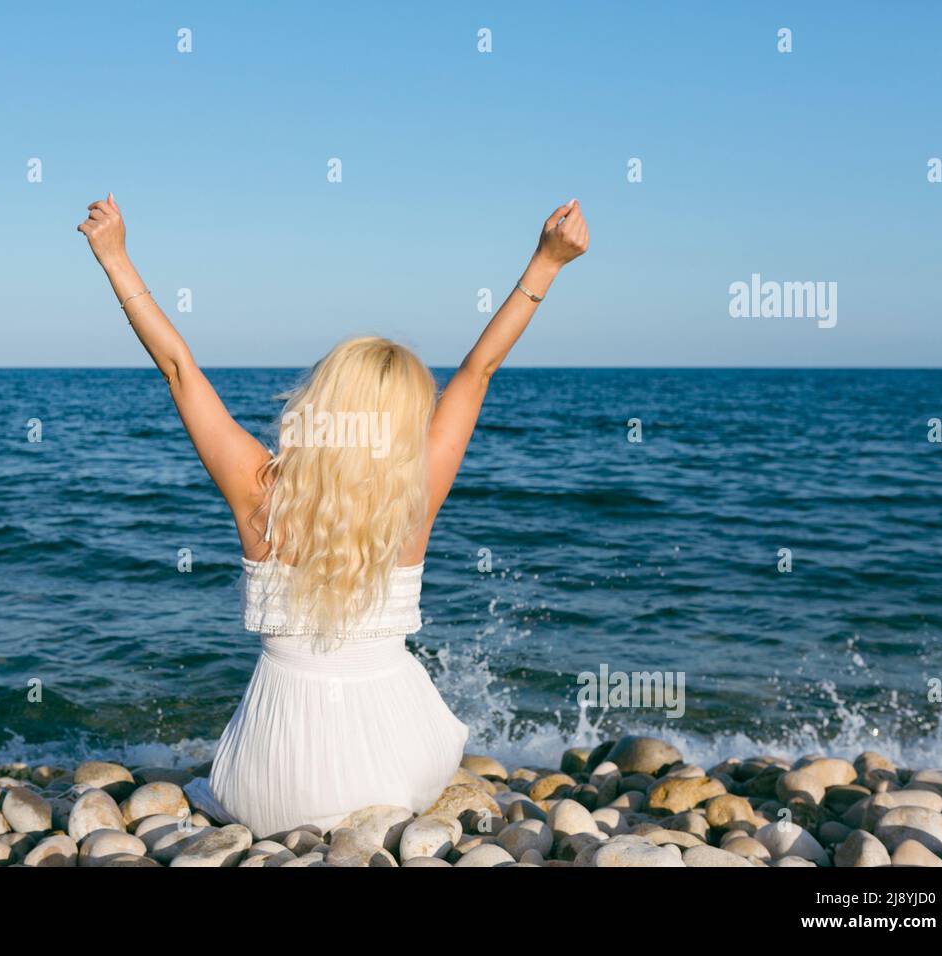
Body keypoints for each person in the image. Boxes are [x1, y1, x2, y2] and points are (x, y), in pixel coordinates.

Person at [78, 193, 590, 838]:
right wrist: (547, 262)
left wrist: (114, 256)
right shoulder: (415, 494)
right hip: (398, 772)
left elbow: (179, 369)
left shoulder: (262, 492)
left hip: (267, 788)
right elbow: (478, 370)